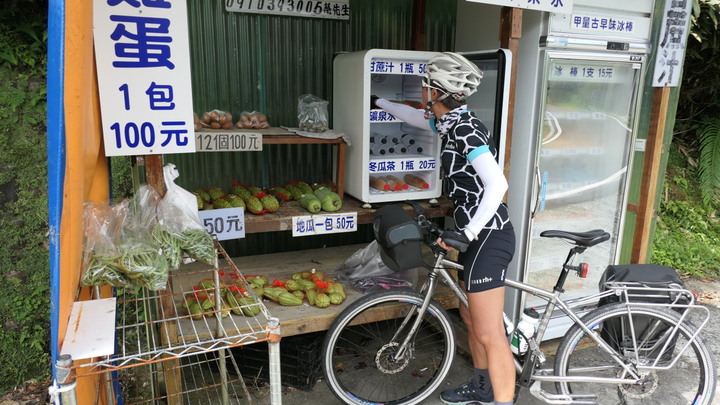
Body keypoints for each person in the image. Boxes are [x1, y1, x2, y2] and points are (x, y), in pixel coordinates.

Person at [372, 52, 516, 405]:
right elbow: (415, 119)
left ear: (436, 91)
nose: (421, 93)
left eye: (425, 86)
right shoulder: (449, 122)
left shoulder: (466, 130)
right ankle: (483, 388)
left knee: (490, 333)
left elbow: (498, 186)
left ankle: (503, 399)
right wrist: (379, 101)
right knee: (469, 319)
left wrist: (467, 234)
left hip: (488, 236)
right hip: (472, 234)